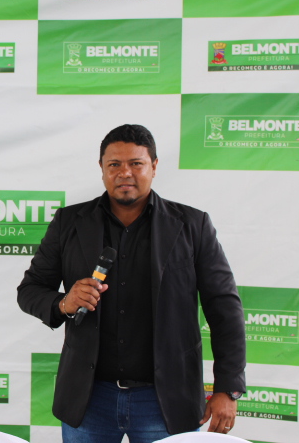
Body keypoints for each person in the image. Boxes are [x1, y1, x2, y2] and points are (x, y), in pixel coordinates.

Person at [17, 125, 246, 443]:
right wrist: (64, 303)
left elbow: (225, 309)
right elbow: (29, 290)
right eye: (114, 164)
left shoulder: (192, 225)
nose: (125, 173)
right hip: (88, 400)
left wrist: (227, 388)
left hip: (166, 400)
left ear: (154, 166)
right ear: (102, 168)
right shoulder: (69, 222)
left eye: (136, 163)